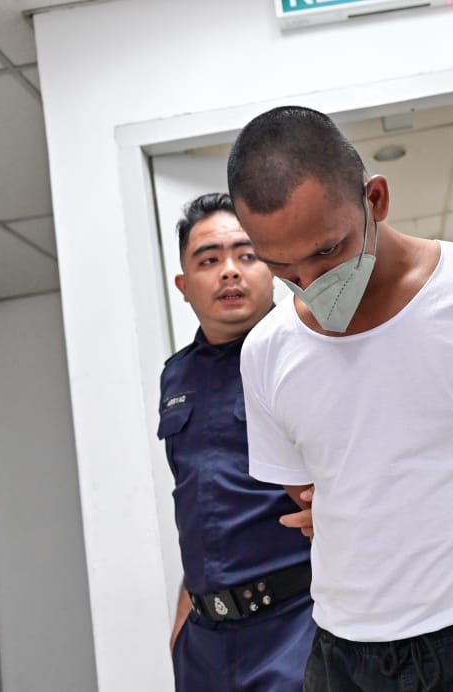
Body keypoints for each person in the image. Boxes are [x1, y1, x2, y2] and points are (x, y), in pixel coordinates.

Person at [225, 105, 453, 692]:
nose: (310, 282)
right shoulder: (265, 352)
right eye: (282, 266)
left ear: (375, 199)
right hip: (350, 656)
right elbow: (312, 491)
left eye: (327, 251)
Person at [158, 192, 315, 691]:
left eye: (247, 255)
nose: (229, 271)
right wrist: (183, 620)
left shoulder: (310, 353)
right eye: (209, 260)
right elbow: (198, 507)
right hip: (204, 645)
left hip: (297, 626)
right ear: (184, 286)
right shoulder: (176, 376)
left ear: (272, 267)